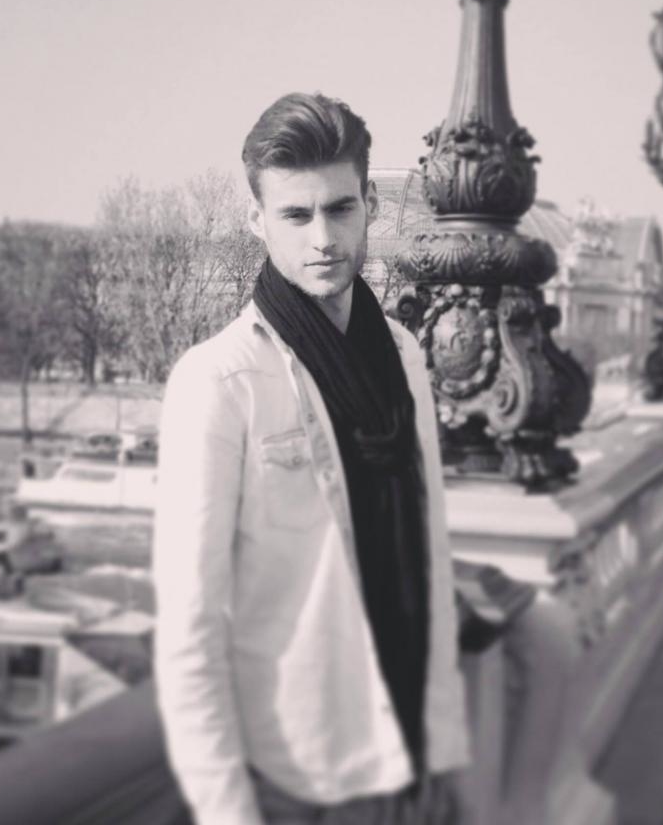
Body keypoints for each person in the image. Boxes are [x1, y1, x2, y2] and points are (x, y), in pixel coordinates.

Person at [153, 92, 469, 825]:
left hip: (402, 753)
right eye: (295, 215)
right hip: (294, 772)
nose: (323, 238)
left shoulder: (402, 354)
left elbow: (430, 553)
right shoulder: (218, 380)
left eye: (340, 209)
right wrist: (227, 811)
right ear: (256, 221)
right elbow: (191, 623)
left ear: (370, 208)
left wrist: (444, 746)